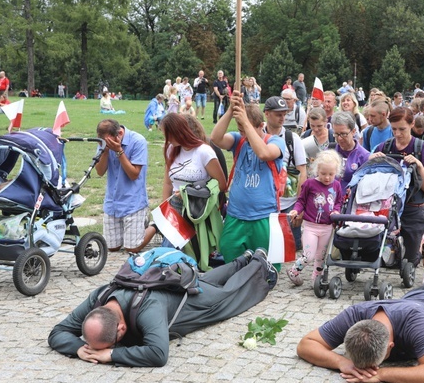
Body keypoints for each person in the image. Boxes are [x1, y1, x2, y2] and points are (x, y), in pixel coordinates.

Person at [48, 249, 276, 367]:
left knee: (225, 299)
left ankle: (258, 263)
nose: (93, 351)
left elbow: (158, 354)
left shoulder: (148, 307)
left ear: (120, 329)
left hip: (186, 300)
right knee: (206, 281)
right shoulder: (98, 297)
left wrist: (111, 354)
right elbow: (57, 333)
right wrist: (78, 348)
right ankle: (241, 260)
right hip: (171, 286)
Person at [296, 259, 424, 383]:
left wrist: (381, 374)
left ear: (391, 345)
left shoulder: (416, 324)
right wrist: (341, 362)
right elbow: (306, 344)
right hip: (420, 295)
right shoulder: (355, 313)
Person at [211, 92, 286, 264]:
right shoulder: (239, 140)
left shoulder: (275, 141)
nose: (243, 134)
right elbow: (215, 138)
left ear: (261, 126)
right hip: (236, 214)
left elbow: (264, 153)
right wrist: (231, 110)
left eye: (245, 130)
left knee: (264, 266)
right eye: (240, 130)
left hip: (263, 216)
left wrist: (246, 122)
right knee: (231, 259)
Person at [371, 108, 424, 269]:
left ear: (412, 124)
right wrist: (371, 160)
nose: (397, 134)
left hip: (413, 207)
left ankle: (418, 247)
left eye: (402, 129)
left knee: (410, 260)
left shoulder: (422, 148)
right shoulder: (384, 148)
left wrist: (419, 165)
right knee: (386, 257)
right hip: (387, 208)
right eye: (393, 129)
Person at [286, 150, 343, 286]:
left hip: (327, 227)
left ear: (336, 172)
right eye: (323, 174)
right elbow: (301, 201)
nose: (327, 178)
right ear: (317, 170)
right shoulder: (310, 184)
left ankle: (316, 279)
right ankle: (294, 271)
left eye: (331, 174)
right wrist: (296, 210)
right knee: (309, 255)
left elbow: (338, 202)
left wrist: (336, 211)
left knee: (320, 256)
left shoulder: (336, 185)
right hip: (311, 226)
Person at [95, 119, 149, 253]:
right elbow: (100, 172)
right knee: (112, 247)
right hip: (112, 202)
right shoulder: (104, 141)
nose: (106, 143)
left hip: (133, 201)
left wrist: (119, 151)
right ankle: (136, 227)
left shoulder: (138, 141)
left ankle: (153, 226)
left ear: (119, 133)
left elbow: (134, 174)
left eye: (107, 140)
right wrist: (105, 151)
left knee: (132, 248)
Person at [263, 95, 308, 251]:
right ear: (267, 113)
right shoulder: (257, 135)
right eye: (278, 114)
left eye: (284, 114)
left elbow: (302, 172)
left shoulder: (292, 138)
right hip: (263, 203)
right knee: (266, 247)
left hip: (287, 203)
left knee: (291, 248)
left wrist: (299, 207)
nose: (282, 118)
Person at [331, 111, 370, 194]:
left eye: (344, 134)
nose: (340, 138)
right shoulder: (330, 151)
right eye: (336, 134)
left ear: (353, 131)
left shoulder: (364, 156)